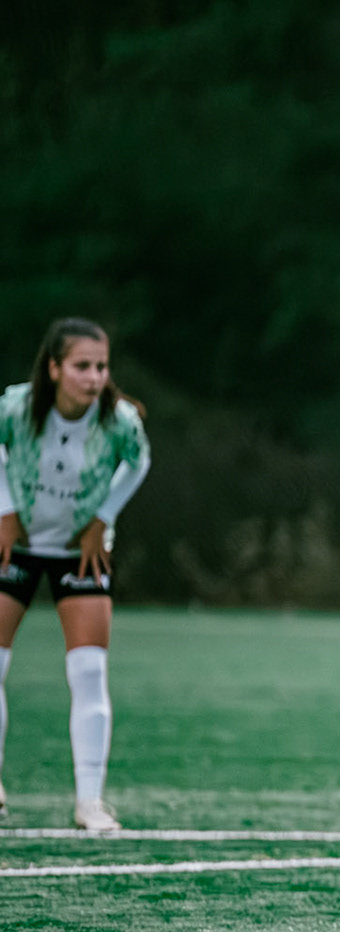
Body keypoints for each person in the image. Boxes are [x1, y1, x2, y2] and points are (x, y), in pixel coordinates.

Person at [0, 318, 153, 831]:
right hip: (15, 545)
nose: (94, 378)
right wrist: (3, 511)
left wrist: (101, 519)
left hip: (78, 552)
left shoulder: (119, 419)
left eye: (102, 366)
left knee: (88, 670)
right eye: (82, 366)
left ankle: (89, 802)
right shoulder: (17, 408)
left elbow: (138, 462)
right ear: (54, 368)